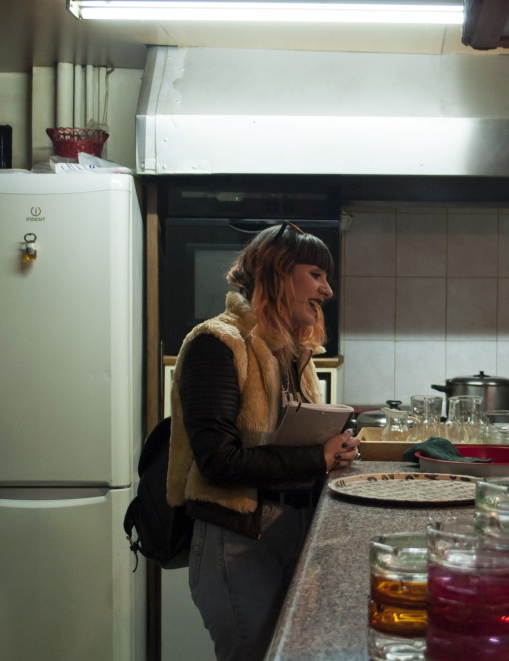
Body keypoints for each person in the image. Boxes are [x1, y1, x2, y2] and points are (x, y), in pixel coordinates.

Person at [166, 220, 360, 660]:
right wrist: (318, 457)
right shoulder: (216, 344)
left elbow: (290, 443)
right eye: (316, 275)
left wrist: (336, 449)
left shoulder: (291, 350)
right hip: (236, 542)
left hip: (290, 530)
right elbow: (218, 462)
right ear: (279, 273)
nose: (327, 290)